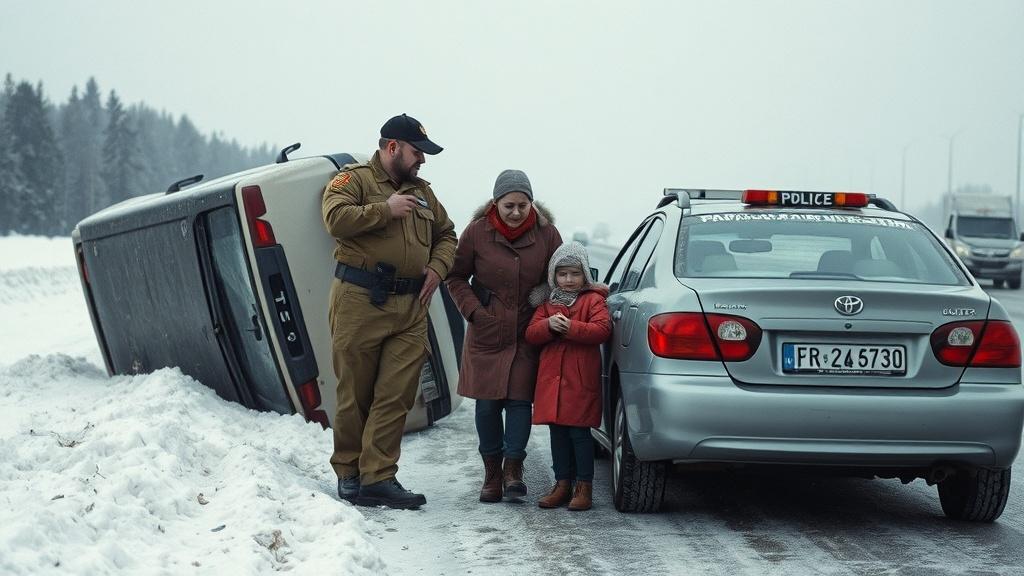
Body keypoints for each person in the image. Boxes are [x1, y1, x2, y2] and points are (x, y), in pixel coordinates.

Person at [321, 113, 457, 509]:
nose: (423, 161)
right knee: (355, 393)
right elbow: (335, 219)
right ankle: (349, 473)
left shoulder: (423, 192)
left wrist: (437, 267)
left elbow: (446, 234)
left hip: (411, 305)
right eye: (418, 152)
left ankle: (379, 476)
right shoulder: (354, 180)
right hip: (360, 300)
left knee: (395, 394)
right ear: (392, 147)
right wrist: (385, 208)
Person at [445, 169, 562, 503]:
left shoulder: (547, 234)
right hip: (487, 330)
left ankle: (514, 469)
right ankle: (492, 474)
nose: (516, 212)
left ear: (531, 204)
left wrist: (548, 312)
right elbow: (455, 277)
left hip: (526, 330)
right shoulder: (476, 233)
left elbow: (562, 275)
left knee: (519, 402)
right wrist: (474, 312)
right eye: (509, 205)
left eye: (522, 205)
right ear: (495, 203)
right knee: (486, 405)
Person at [525, 241, 611, 511]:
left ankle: (583, 487)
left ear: (584, 274)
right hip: (553, 382)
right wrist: (548, 326)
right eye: (562, 274)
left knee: (579, 434)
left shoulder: (594, 300)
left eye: (574, 273)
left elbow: (601, 330)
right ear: (553, 276)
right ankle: (562, 484)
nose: (569, 279)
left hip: (579, 380)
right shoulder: (547, 304)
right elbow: (531, 334)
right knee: (558, 434)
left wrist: (571, 327)